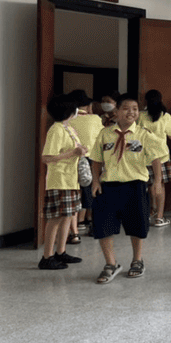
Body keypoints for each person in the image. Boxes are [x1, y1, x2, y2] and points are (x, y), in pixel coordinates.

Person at [89, 93, 169, 283]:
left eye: (134, 109)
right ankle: (111, 264)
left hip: (135, 185)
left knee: (137, 226)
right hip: (108, 185)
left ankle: (137, 260)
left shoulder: (143, 134)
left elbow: (156, 159)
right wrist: (95, 181)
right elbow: (96, 159)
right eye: (126, 108)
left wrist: (157, 182)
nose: (131, 112)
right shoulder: (105, 133)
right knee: (103, 226)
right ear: (116, 112)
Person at [39, 95, 88, 270]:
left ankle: (61, 252)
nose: (78, 111)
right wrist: (73, 153)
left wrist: (81, 151)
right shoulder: (56, 130)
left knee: (68, 215)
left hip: (71, 179)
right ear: (68, 111)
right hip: (59, 179)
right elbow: (47, 157)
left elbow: (74, 151)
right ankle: (47, 256)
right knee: (56, 218)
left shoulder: (69, 128)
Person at [138, 89, 171, 228]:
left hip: (144, 155)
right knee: (160, 185)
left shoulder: (141, 116)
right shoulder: (165, 116)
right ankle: (159, 217)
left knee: (149, 185)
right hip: (162, 156)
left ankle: (151, 211)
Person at [67, 90, 103, 242]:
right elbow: (102, 137)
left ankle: (73, 231)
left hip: (72, 160)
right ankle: (95, 227)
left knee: (74, 194)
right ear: (88, 106)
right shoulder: (95, 119)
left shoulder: (68, 120)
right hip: (92, 160)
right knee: (94, 192)